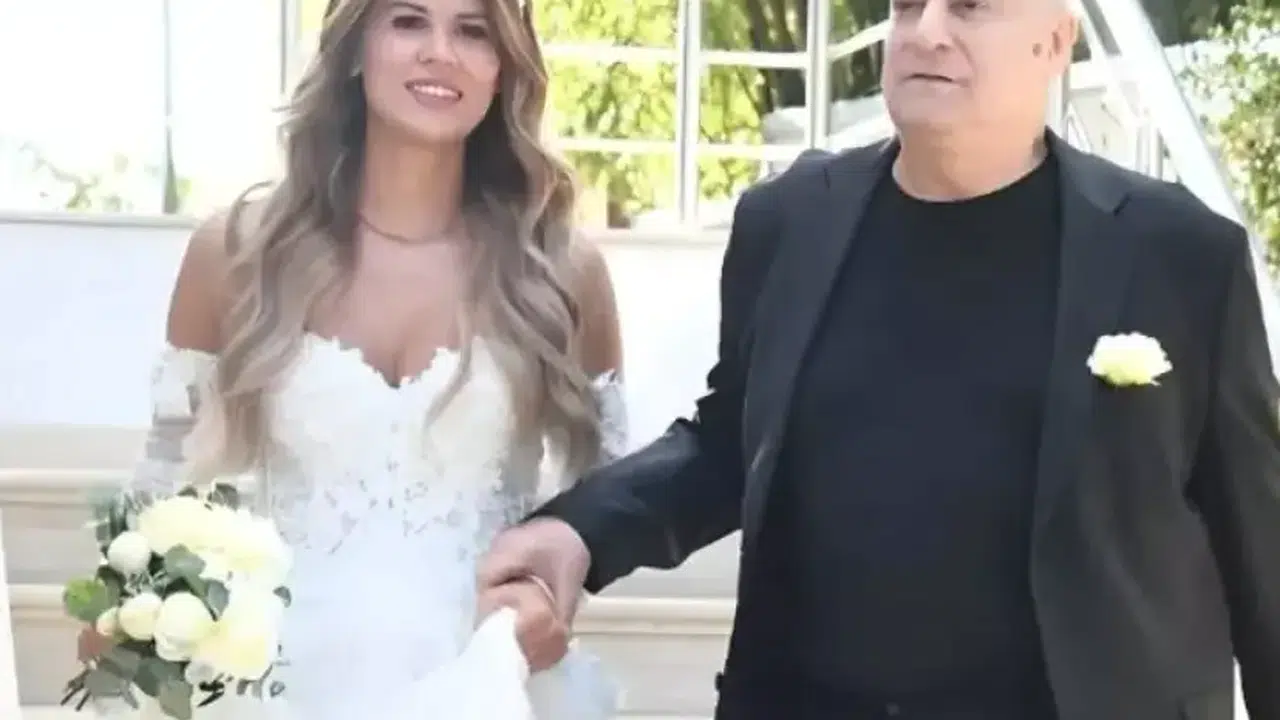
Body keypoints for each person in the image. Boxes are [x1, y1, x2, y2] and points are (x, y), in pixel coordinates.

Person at [478, 0, 1280, 718]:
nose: (926, 31)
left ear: (1054, 43)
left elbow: (1261, 546)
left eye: (969, 7)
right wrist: (579, 532)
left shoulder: (1178, 256)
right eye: (906, 6)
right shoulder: (789, 222)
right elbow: (729, 442)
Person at [77, 0, 626, 718]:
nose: (440, 51)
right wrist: (132, 610)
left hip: (481, 677)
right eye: (408, 21)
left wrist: (549, 596)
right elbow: (168, 472)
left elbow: (606, 496)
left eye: (473, 31)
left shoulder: (561, 270)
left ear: (504, 68)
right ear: (355, 48)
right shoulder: (237, 252)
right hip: (270, 685)